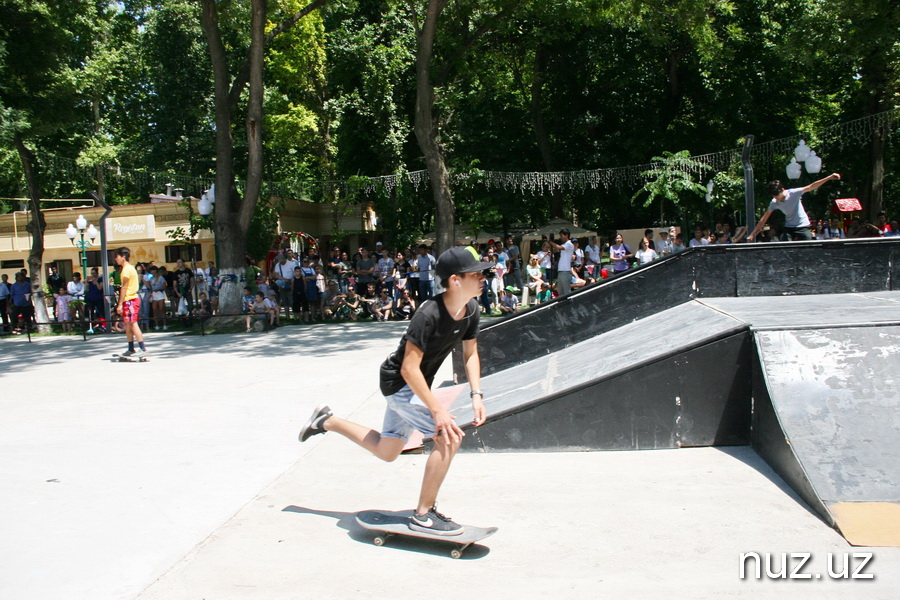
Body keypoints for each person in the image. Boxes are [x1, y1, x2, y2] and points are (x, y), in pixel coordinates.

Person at [299, 245, 491, 536]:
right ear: (455, 280)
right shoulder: (428, 314)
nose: (483, 279)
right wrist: (438, 411)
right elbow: (408, 369)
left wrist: (477, 394)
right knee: (448, 437)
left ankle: (326, 421)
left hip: (415, 385)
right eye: (476, 274)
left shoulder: (471, 310)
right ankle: (424, 515)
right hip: (399, 384)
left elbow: (470, 355)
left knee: (388, 451)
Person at [748, 173, 841, 242]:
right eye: (774, 196)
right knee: (784, 242)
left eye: (777, 195)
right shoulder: (774, 202)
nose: (776, 198)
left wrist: (829, 177)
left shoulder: (794, 193)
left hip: (803, 225)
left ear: (782, 190)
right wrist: (752, 234)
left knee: (808, 245)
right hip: (789, 227)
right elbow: (764, 219)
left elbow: (812, 186)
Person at [115, 247, 147, 358]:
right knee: (127, 324)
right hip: (128, 300)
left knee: (133, 323)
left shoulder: (127, 269)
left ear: (123, 256)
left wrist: (119, 304)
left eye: (117, 256)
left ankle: (143, 348)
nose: (116, 259)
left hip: (130, 300)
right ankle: (130, 348)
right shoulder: (127, 268)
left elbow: (124, 287)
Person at [547, 228, 574, 296]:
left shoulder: (569, 244)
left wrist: (550, 242)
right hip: (561, 271)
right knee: (560, 292)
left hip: (565, 271)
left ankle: (570, 305)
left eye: (562, 235)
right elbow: (555, 249)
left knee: (566, 291)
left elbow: (558, 247)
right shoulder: (564, 245)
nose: (560, 237)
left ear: (566, 235)